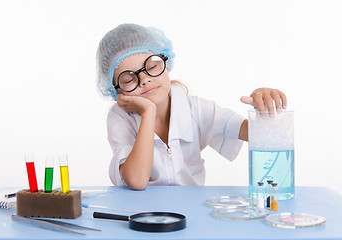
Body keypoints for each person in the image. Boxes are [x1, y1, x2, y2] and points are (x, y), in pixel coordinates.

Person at [96, 23, 287, 190]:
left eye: (152, 67)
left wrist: (264, 107)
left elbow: (263, 136)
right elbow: (137, 181)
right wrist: (148, 112)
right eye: (129, 79)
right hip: (143, 216)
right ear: (117, 91)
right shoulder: (119, 118)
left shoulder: (195, 109)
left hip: (190, 215)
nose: (144, 79)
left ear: (167, 64)